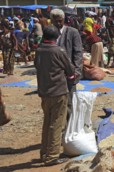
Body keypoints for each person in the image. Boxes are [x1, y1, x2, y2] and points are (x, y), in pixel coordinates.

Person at [34, 26, 75, 166]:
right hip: (58, 91)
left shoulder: (39, 50)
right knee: (57, 124)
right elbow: (70, 70)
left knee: (47, 122)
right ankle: (52, 156)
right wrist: (71, 77)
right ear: (56, 37)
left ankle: (44, 152)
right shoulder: (58, 51)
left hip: (44, 92)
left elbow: (37, 66)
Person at [50, 9, 83, 119]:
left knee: (70, 102)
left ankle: (70, 127)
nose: (58, 24)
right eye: (56, 22)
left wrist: (77, 71)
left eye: (60, 21)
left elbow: (78, 52)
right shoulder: (49, 33)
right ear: (52, 21)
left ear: (64, 20)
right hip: (55, 75)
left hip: (70, 73)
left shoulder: (72, 32)